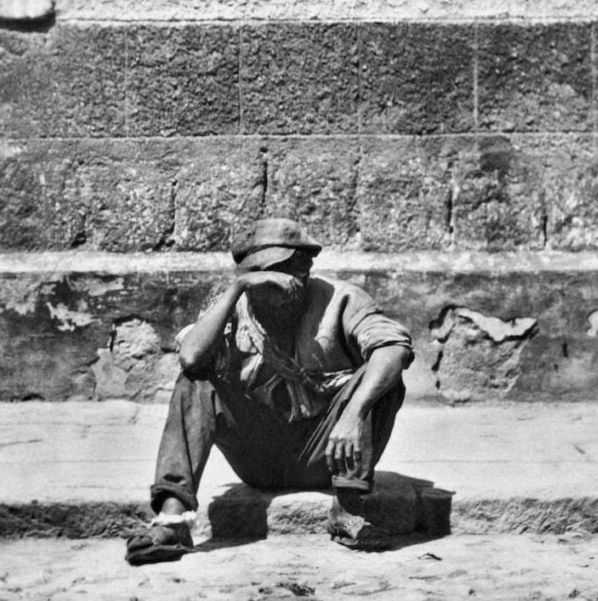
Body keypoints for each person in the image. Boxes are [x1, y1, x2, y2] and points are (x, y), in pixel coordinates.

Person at [126, 218, 414, 565]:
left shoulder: (340, 298)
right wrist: (238, 290)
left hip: (326, 452)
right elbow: (191, 357)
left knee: (383, 378)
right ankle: (173, 521)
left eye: (287, 272)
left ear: (305, 270)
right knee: (196, 380)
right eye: (261, 277)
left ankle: (348, 510)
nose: (275, 289)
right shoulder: (232, 305)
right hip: (258, 457)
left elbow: (393, 347)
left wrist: (354, 414)